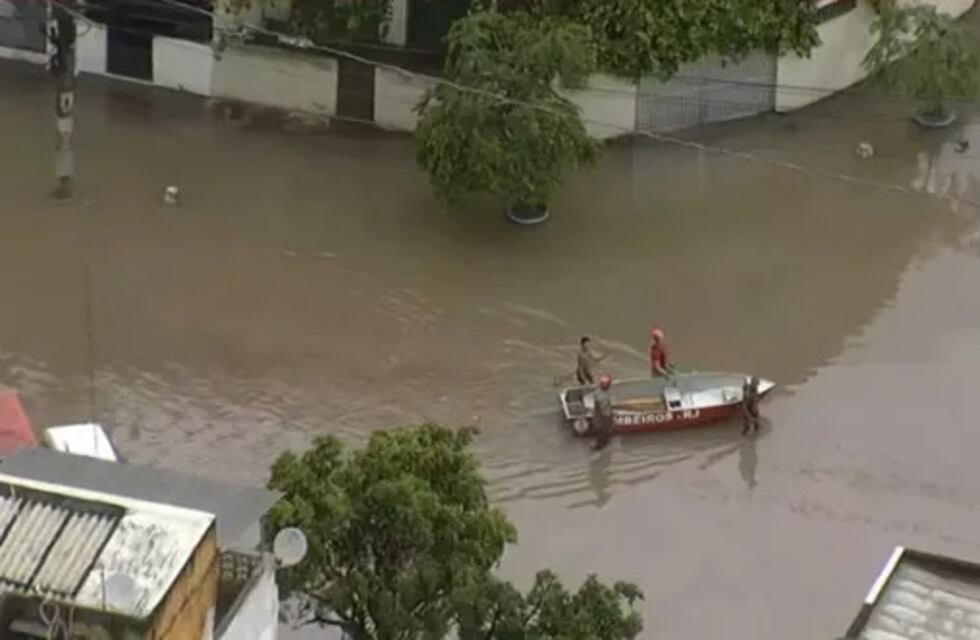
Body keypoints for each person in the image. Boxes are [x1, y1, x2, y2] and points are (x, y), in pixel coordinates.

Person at [592, 374, 615, 451]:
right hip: (603, 415)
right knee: (604, 431)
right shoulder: (601, 396)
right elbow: (604, 408)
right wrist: (610, 416)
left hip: (600, 414)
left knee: (603, 431)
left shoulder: (598, 391)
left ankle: (602, 444)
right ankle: (600, 445)